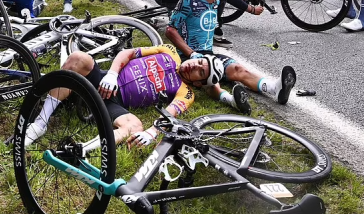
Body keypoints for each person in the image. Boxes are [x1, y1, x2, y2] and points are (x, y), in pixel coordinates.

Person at [23, 43, 224, 149]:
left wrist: (151, 133)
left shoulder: (186, 92)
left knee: (135, 126)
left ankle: (82, 150)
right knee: (78, 58)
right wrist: (112, 74)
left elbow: (169, 115)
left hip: (115, 103)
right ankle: (40, 124)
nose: (194, 66)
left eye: (200, 72)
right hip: (103, 80)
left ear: (199, 83)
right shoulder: (169, 51)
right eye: (200, 62)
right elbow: (127, 53)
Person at [165, 0, 296, 111]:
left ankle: (275, 89)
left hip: (209, 55)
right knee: (211, 80)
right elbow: (170, 30)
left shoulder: (215, 0)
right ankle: (232, 100)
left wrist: (251, 8)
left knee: (238, 69)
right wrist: (192, 54)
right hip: (188, 57)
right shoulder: (189, 1)